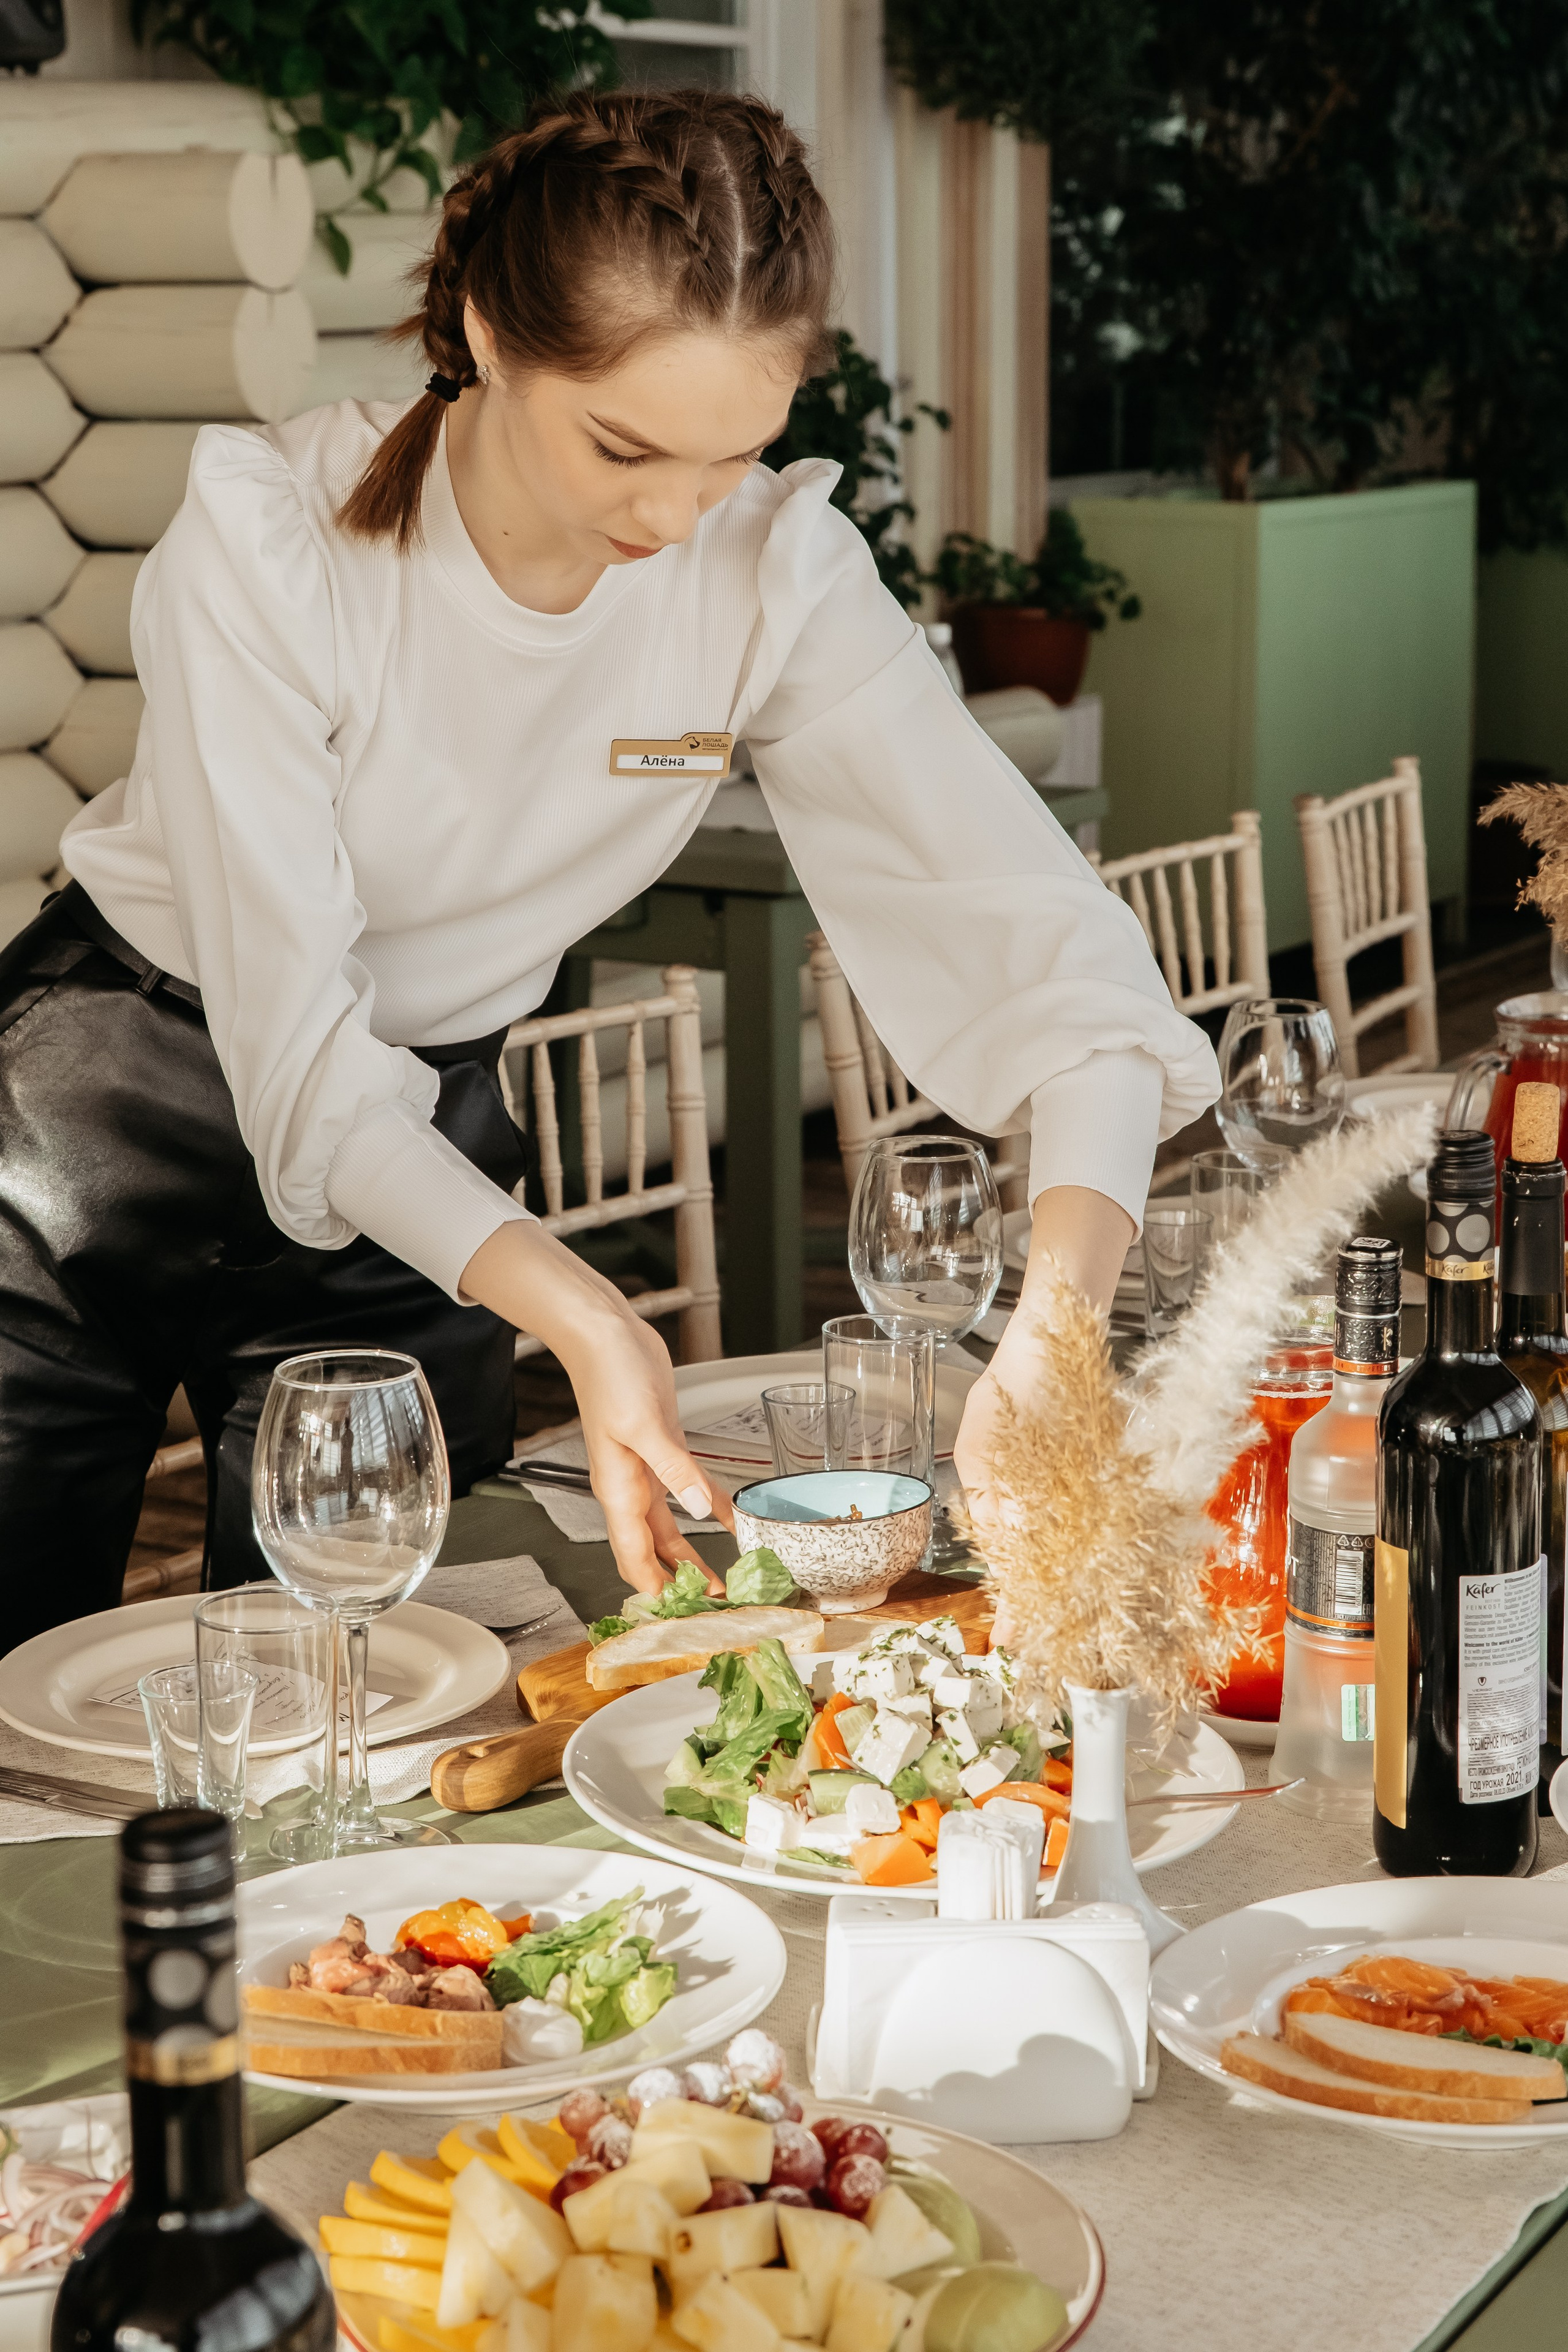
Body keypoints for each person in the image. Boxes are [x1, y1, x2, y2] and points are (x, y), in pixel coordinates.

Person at [0, 86, 1218, 1651]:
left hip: (418, 1149)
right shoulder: (270, 541)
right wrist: (583, 1312)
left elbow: (1047, 952)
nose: (671, 516)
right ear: (491, 340)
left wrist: (1054, 1328)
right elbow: (298, 1056)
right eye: (624, 446)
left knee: (388, 1686)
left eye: (731, 458)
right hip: (91, 1124)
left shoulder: (770, 571)